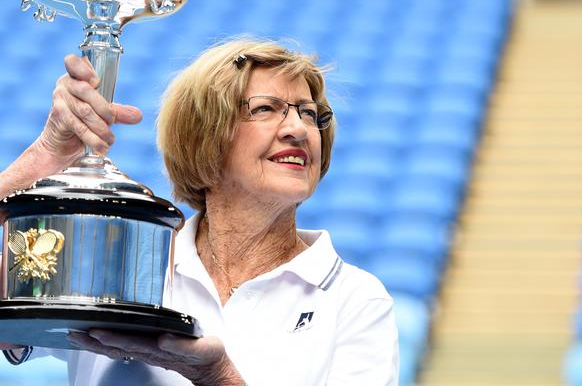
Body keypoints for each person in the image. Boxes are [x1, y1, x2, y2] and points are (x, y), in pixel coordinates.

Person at [0, 39, 399, 385]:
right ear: (203, 135)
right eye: (265, 109)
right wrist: (45, 155)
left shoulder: (355, 300)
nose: (298, 128)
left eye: (309, 113)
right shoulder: (119, 261)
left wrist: (216, 378)